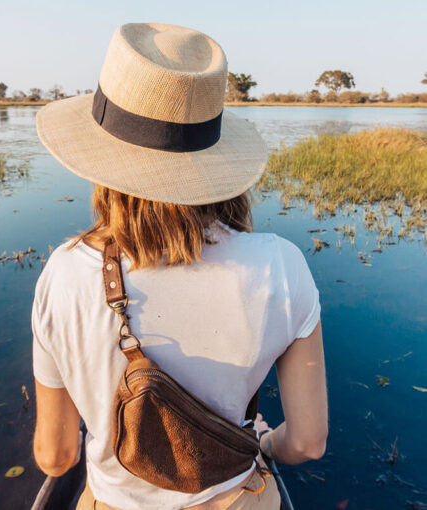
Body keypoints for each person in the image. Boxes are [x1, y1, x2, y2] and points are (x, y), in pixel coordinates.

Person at [32, 22, 328, 510]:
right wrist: (264, 443)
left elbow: (56, 456)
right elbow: (307, 443)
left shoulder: (64, 274)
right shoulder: (281, 265)